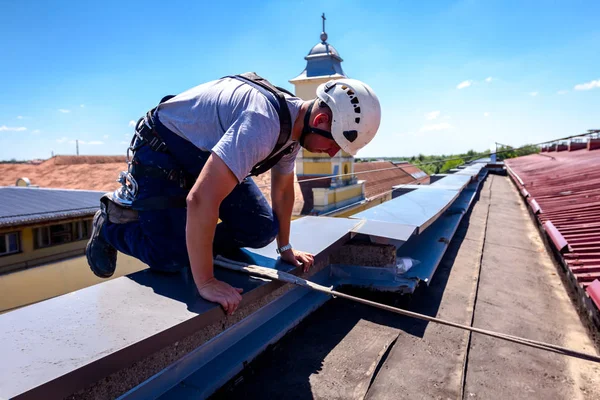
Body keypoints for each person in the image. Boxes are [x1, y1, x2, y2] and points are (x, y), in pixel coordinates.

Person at [86, 73, 381, 315]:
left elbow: (282, 192)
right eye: (333, 145)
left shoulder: (292, 131)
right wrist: (206, 281)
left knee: (262, 227)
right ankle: (110, 224)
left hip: (203, 154)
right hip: (163, 149)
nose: (331, 154)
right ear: (320, 121)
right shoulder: (263, 123)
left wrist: (285, 249)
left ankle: (193, 243)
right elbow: (201, 199)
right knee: (172, 257)